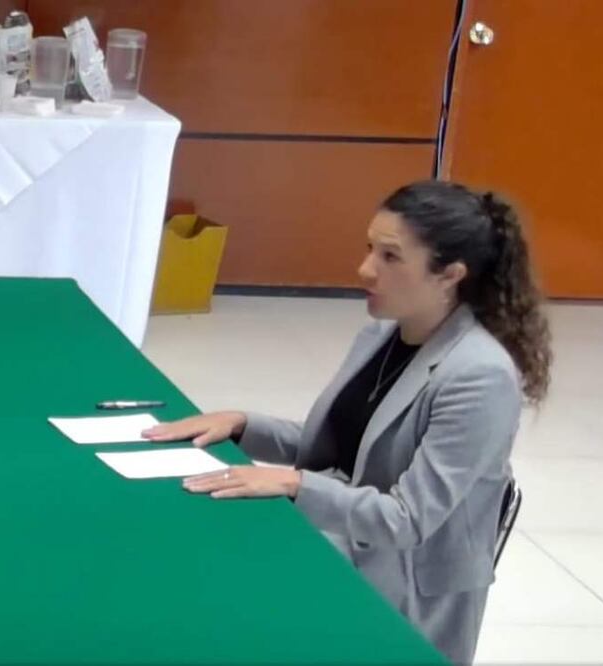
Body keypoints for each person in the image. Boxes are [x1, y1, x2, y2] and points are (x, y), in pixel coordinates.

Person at [143, 180, 552, 664]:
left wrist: (294, 485)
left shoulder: (480, 376)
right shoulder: (384, 333)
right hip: (346, 539)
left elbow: (406, 520)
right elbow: (345, 448)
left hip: (404, 585)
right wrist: (240, 424)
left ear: (450, 275)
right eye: (369, 249)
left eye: (391, 257)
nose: (365, 270)